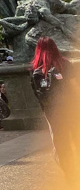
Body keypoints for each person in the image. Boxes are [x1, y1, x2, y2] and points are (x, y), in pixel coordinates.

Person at [31, 36, 76, 174]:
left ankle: (69, 172)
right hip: (70, 107)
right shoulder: (65, 64)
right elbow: (75, 86)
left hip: (52, 111)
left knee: (61, 140)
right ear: (55, 48)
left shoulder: (36, 70)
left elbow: (37, 93)